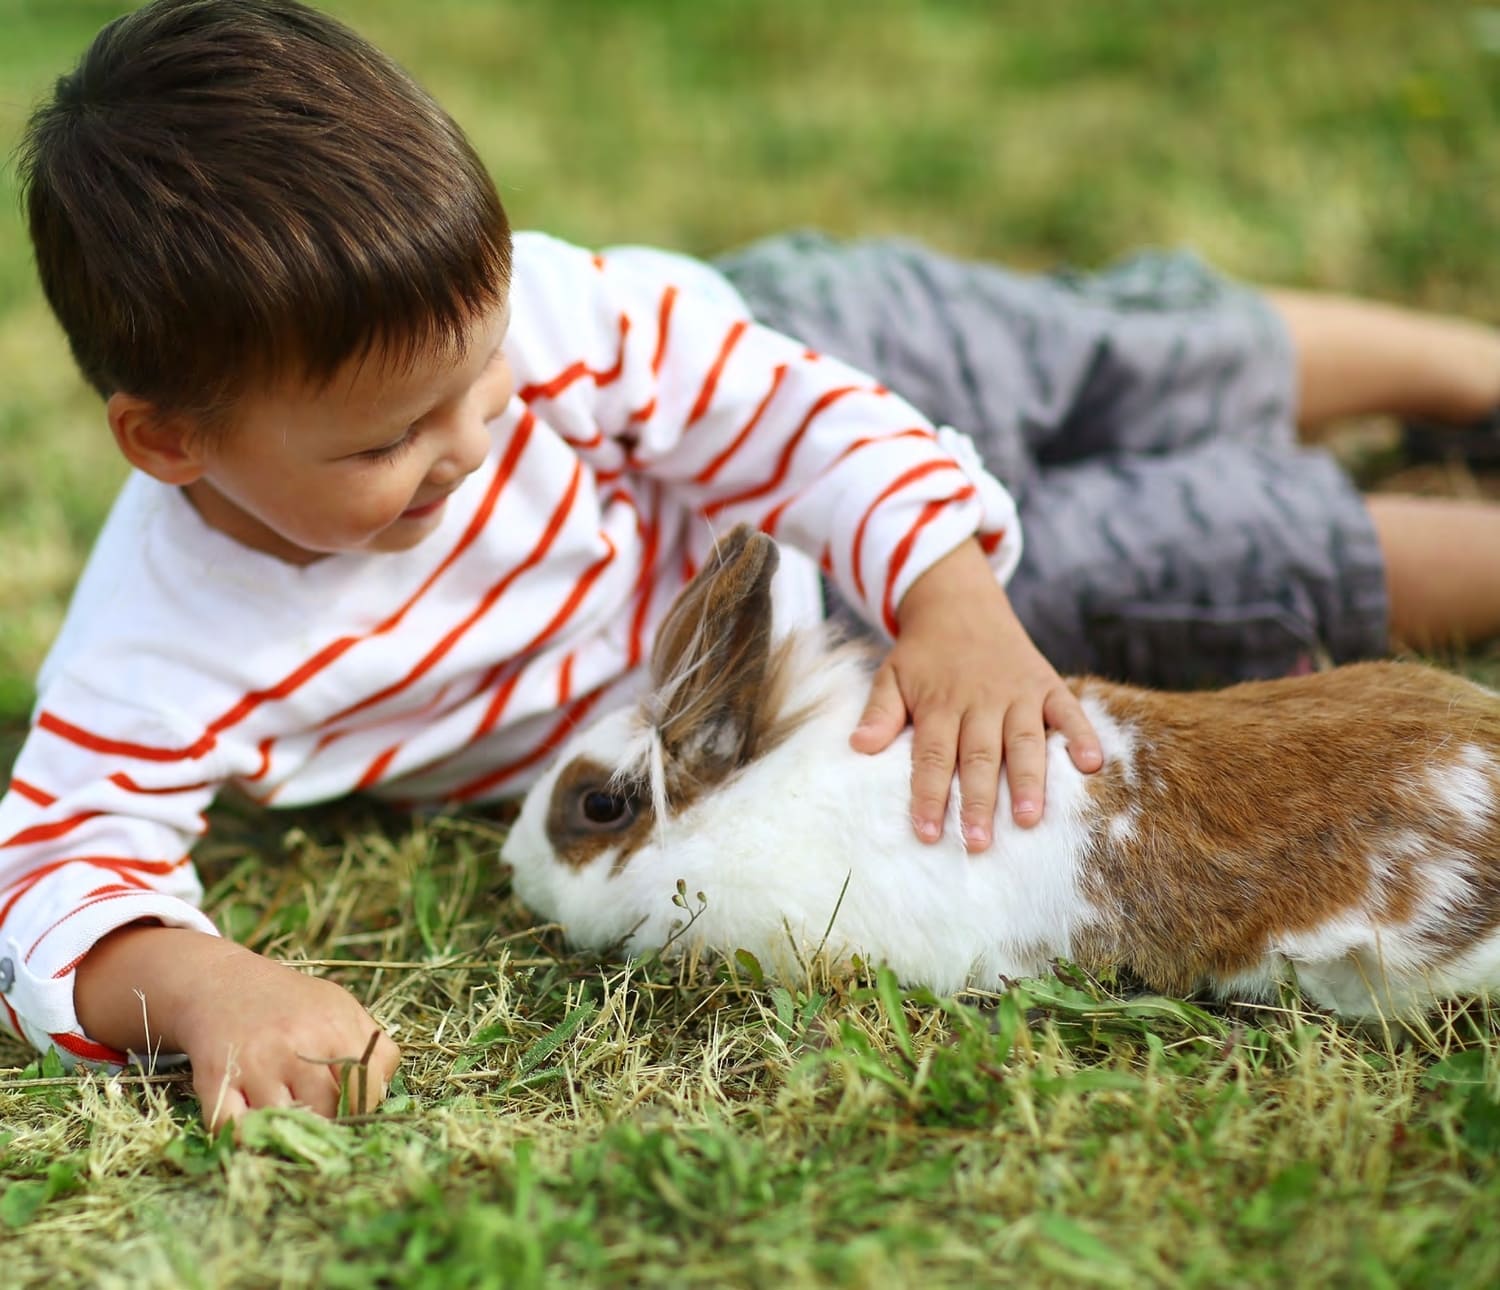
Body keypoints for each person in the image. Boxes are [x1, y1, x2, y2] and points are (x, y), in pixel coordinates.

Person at [2, 0, 1497, 1129]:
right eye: (391, 442)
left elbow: (788, 417)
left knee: (1112, 354)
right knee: (1184, 562)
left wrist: (953, 599)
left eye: (486, 372)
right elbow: (58, 868)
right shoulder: (162, 647)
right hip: (781, 644)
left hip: (810, 373)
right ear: (170, 443)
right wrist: (203, 983)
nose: (474, 441)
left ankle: (1460, 368)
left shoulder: (564, 324)